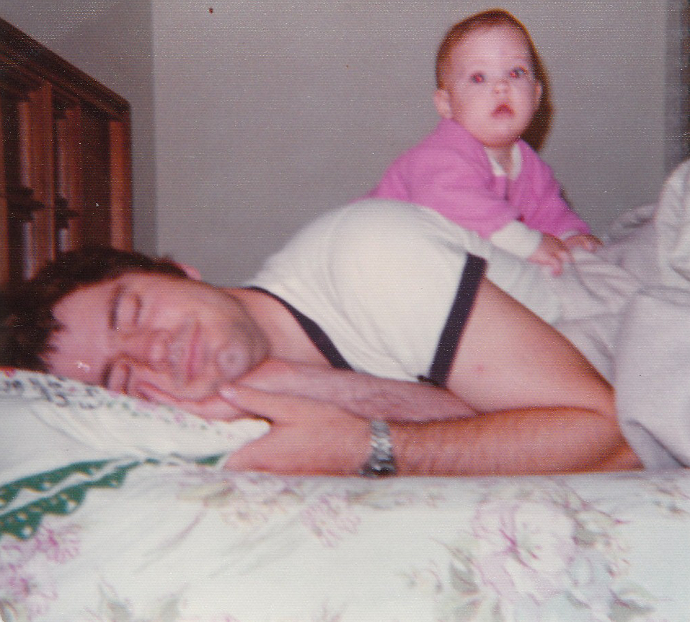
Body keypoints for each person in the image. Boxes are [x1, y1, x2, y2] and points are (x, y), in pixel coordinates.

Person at [1, 199, 640, 476]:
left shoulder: (367, 255)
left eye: (132, 311)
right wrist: (295, 385)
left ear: (178, 269)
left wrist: (369, 448)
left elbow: (615, 437)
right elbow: (488, 421)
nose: (151, 351)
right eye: (121, 377)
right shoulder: (251, 404)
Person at [367, 9, 599, 275]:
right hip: (365, 244)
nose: (501, 87)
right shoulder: (442, 154)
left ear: (536, 96)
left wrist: (570, 237)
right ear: (446, 104)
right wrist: (527, 244)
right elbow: (456, 202)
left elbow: (549, 212)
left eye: (516, 72)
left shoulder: (532, 169)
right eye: (479, 78)